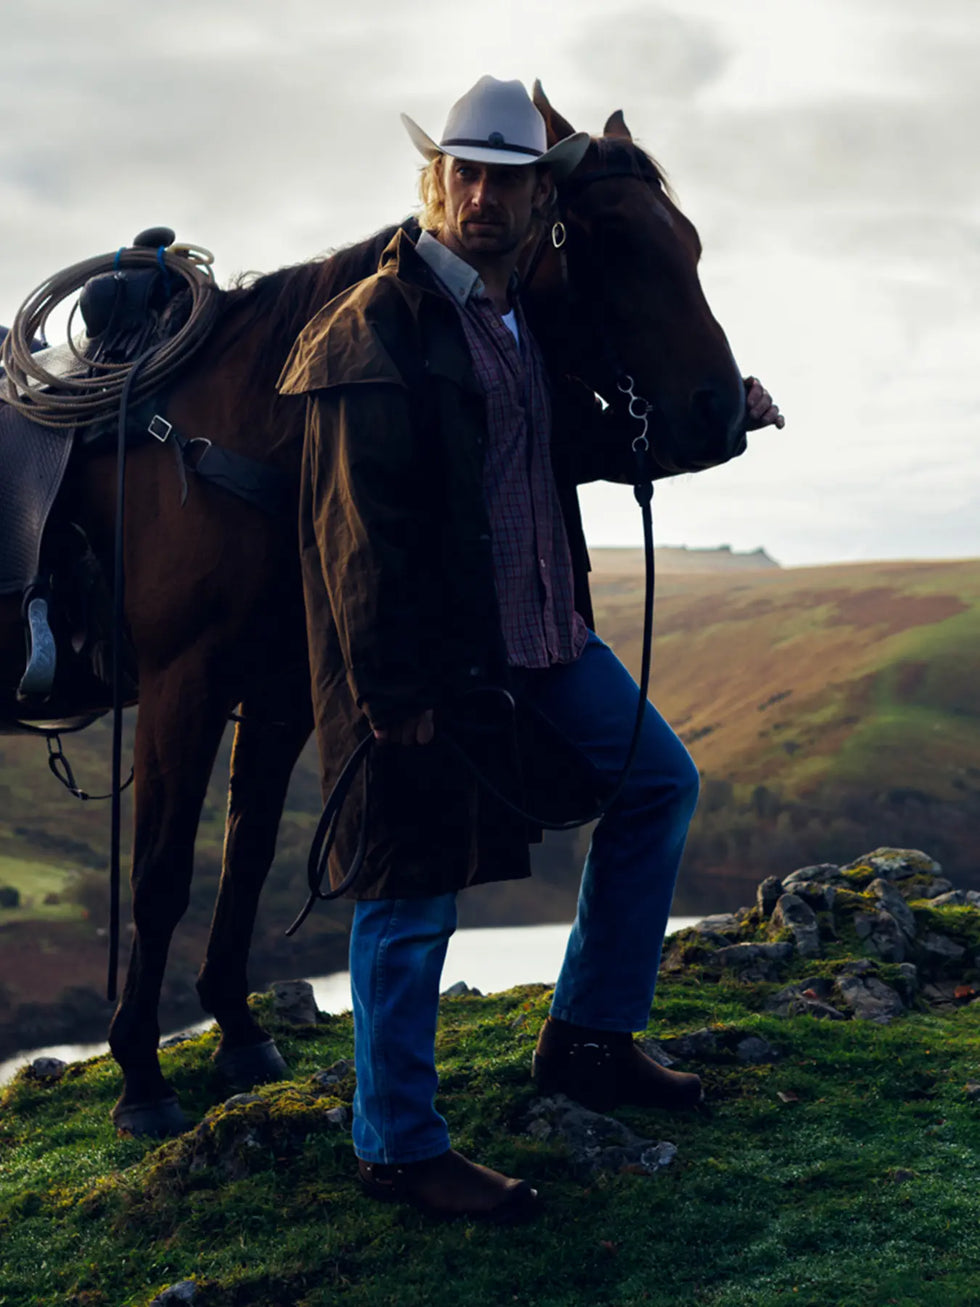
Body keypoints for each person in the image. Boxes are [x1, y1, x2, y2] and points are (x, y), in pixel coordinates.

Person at [278, 76, 783, 1224]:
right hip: (431, 666)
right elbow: (355, 531)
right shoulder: (373, 327)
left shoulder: (520, 324)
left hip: (545, 635)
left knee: (657, 783)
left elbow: (576, 446)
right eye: (465, 173)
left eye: (506, 179)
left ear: (536, 198)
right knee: (411, 889)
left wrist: (721, 425)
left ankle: (590, 1036)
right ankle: (397, 1144)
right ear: (436, 180)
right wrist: (390, 691)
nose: (483, 196)